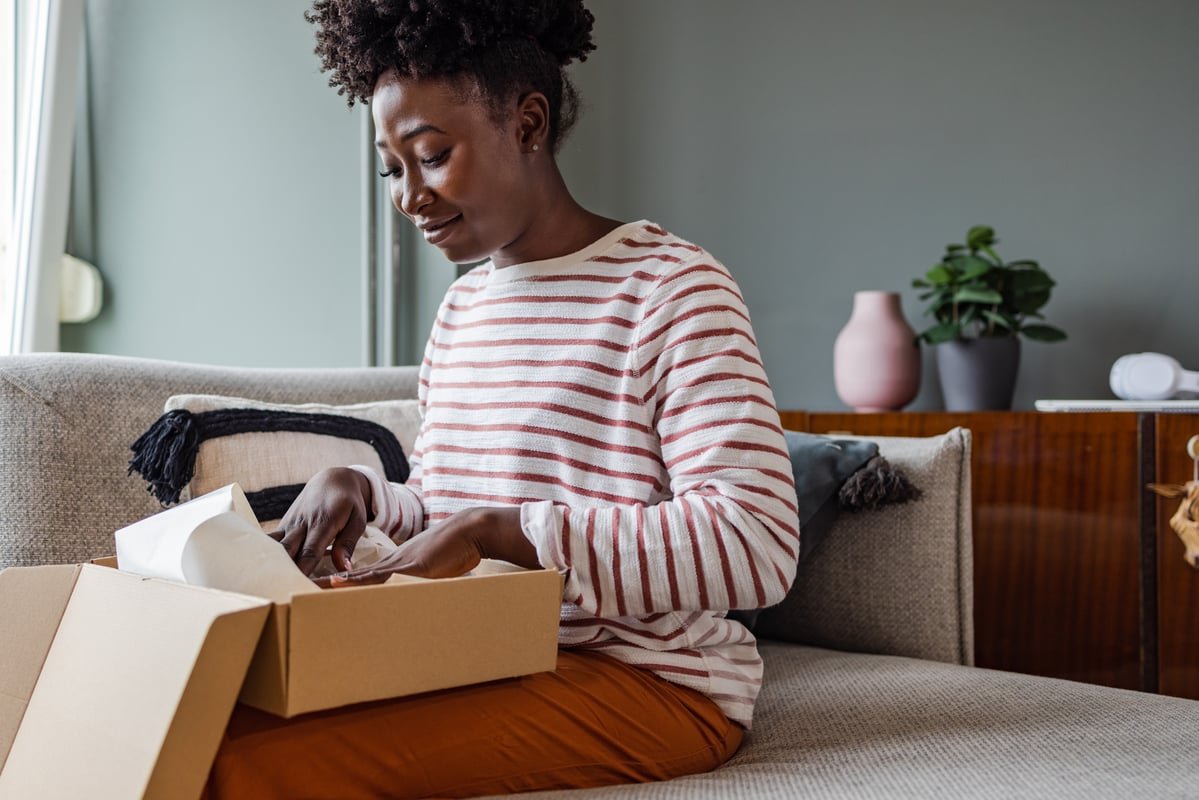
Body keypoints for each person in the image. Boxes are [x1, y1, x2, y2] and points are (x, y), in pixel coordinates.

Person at [203, 1, 800, 797]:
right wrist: (372, 498)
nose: (409, 195)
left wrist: (507, 531)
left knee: (242, 766)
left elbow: (755, 543)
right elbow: (453, 508)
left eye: (431, 155)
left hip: (647, 680)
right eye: (391, 168)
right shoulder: (462, 310)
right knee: (196, 715)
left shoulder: (672, 287)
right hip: (473, 646)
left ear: (526, 125)